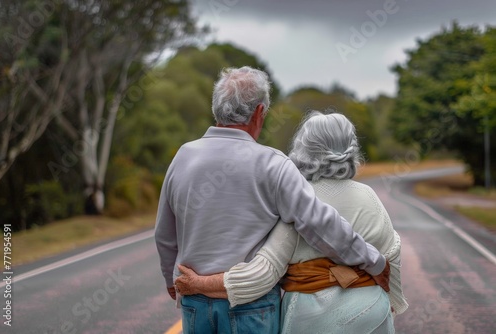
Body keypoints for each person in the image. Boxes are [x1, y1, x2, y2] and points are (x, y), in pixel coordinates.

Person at [154, 67, 390, 334]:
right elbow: (320, 224)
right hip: (252, 308)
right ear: (259, 113)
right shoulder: (273, 163)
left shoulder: (183, 157)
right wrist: (373, 261)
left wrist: (172, 282)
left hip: (194, 303)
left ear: (216, 109)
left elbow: (164, 235)